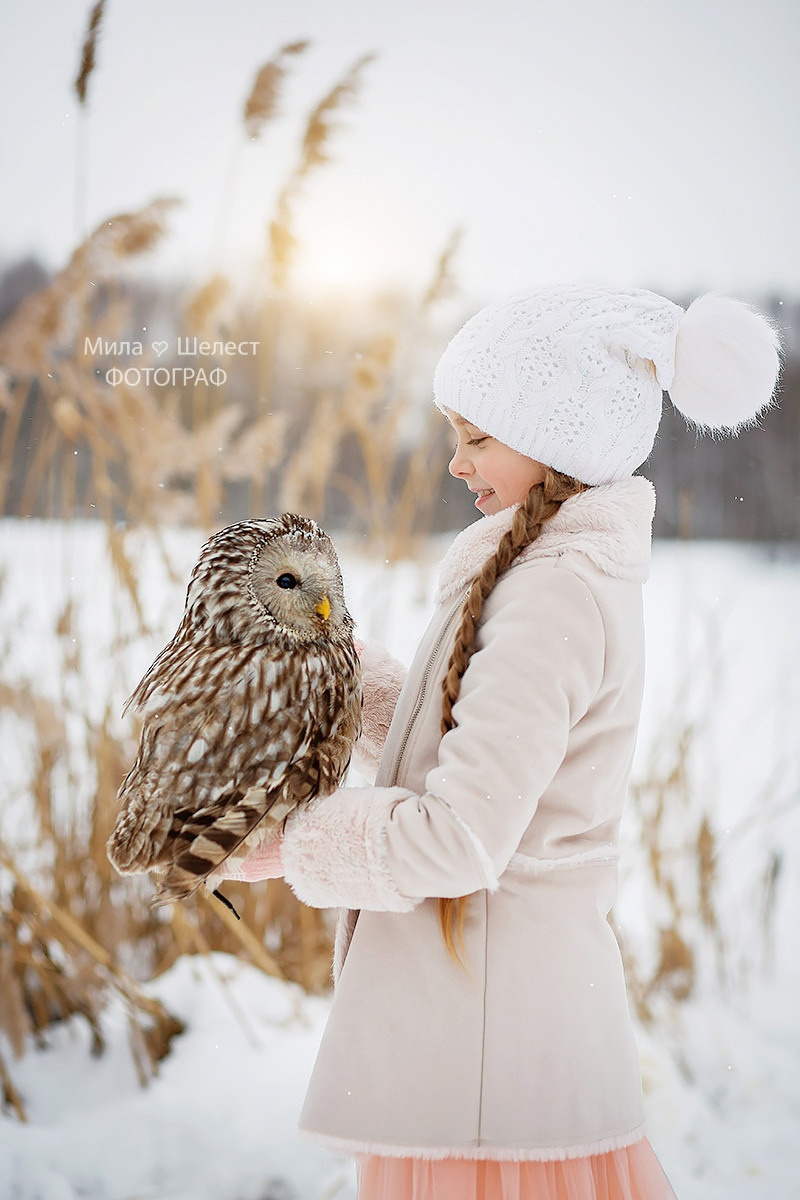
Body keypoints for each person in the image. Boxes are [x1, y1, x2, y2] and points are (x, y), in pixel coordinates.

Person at [222, 285, 781, 1200]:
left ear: (556, 442)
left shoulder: (554, 593)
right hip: (492, 1029)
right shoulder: (539, 573)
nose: (454, 463)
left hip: (491, 1050)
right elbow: (469, 747)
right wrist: (344, 668)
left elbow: (461, 836)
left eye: (477, 438)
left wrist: (290, 846)